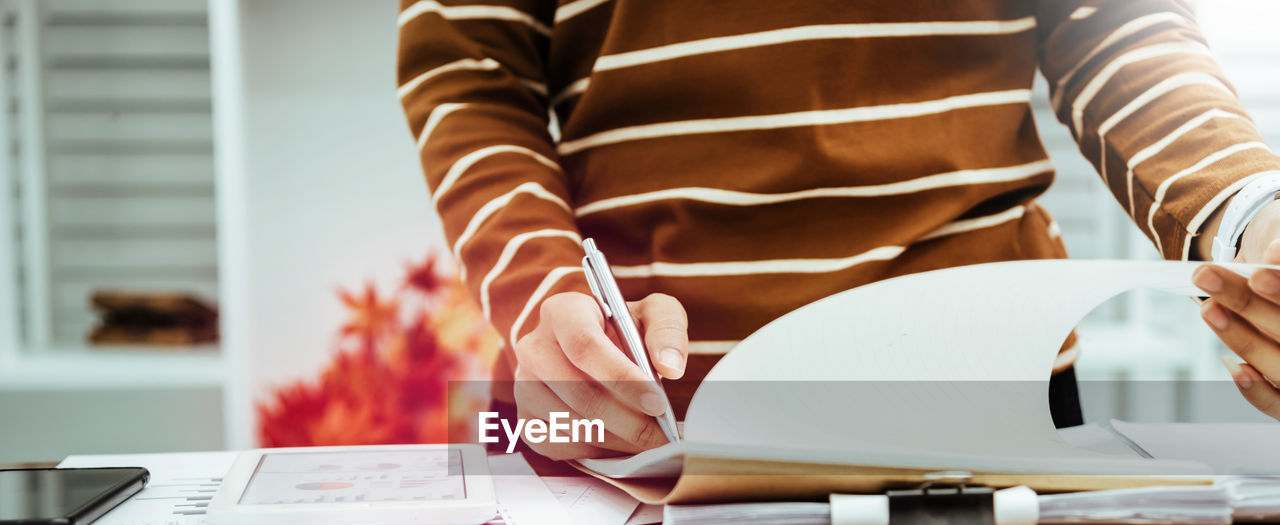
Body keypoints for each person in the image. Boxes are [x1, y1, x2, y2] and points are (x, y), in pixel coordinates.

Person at [397, 0, 1280, 458]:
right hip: (633, 412)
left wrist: (1252, 211)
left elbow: (1115, 30)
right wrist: (543, 290)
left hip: (988, 402)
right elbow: (472, 71)